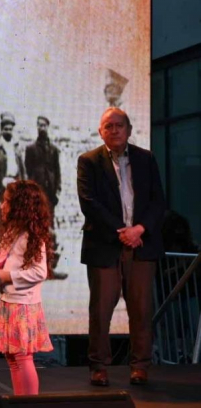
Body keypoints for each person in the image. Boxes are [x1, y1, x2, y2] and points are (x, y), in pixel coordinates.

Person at [77, 107, 166, 387]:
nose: (114, 130)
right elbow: (89, 203)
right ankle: (99, 366)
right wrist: (122, 232)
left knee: (141, 308)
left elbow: (157, 201)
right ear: (100, 131)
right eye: (108, 126)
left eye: (119, 125)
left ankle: (140, 365)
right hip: (105, 245)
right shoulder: (88, 161)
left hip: (141, 245)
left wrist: (139, 230)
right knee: (101, 310)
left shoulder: (145, 158)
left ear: (129, 129)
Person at [0, 180, 53, 395]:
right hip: (10, 301)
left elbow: (39, 272)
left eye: (7, 201)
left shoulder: (30, 236)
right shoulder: (13, 232)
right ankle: (19, 400)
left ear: (20, 206)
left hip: (23, 305)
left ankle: (30, 402)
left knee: (22, 357)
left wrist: (7, 276)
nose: (2, 206)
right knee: (12, 357)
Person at [24, 115, 66, 280]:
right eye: (39, 125)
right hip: (36, 195)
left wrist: (57, 191)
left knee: (49, 230)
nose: (41, 128)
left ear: (48, 127)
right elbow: (28, 172)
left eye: (44, 125)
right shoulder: (31, 149)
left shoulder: (54, 150)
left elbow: (58, 172)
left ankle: (49, 267)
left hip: (50, 196)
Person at [0, 112, 24, 218]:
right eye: (6, 129)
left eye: (10, 129)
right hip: (1, 187)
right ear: (2, 130)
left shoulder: (16, 147)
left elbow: (22, 169)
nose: (8, 132)